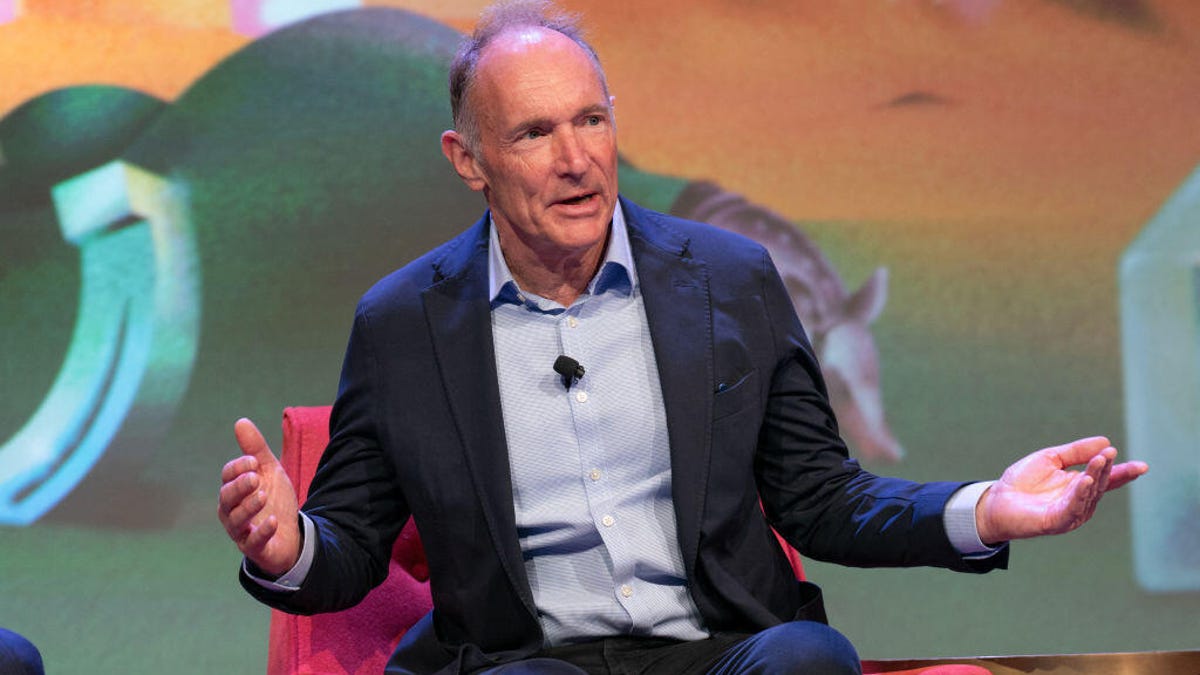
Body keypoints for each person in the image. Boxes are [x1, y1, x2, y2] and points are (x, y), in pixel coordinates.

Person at [218, 2, 1148, 673]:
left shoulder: (730, 281)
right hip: (528, 660)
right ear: (470, 161)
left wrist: (987, 509)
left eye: (591, 120)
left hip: (720, 651)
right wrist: (283, 542)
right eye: (535, 133)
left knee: (807, 660)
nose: (577, 159)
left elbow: (822, 499)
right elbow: (349, 547)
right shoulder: (403, 323)